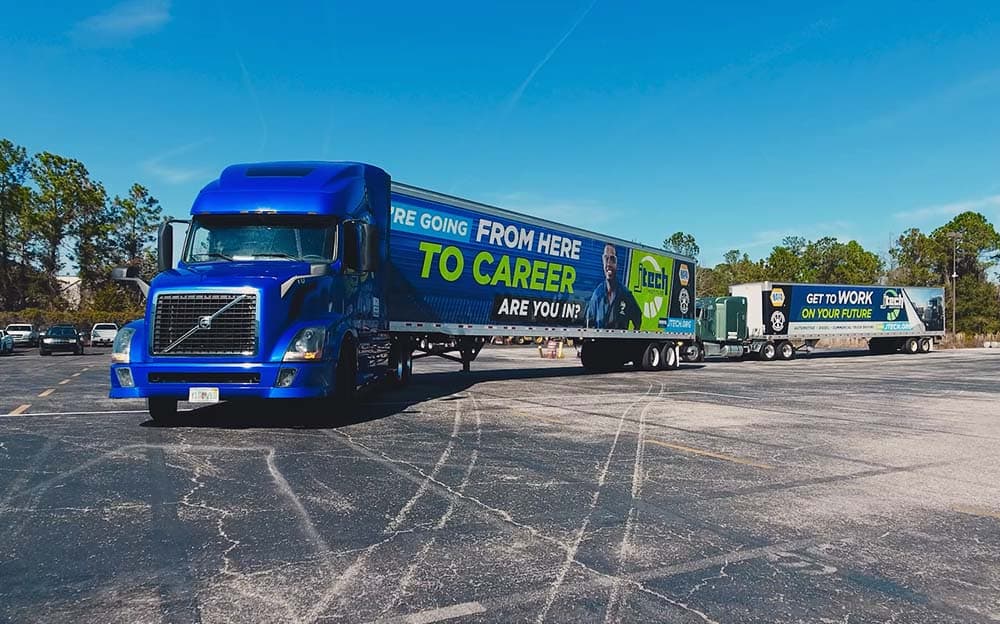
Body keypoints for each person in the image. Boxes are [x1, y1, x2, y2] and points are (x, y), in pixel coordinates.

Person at [585, 243, 641, 329]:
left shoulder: (626, 294)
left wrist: (630, 338)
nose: (608, 264)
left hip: (619, 340)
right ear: (602, 260)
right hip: (599, 340)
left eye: (612, 259)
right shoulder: (597, 295)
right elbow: (589, 320)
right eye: (606, 258)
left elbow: (637, 316)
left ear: (617, 263)